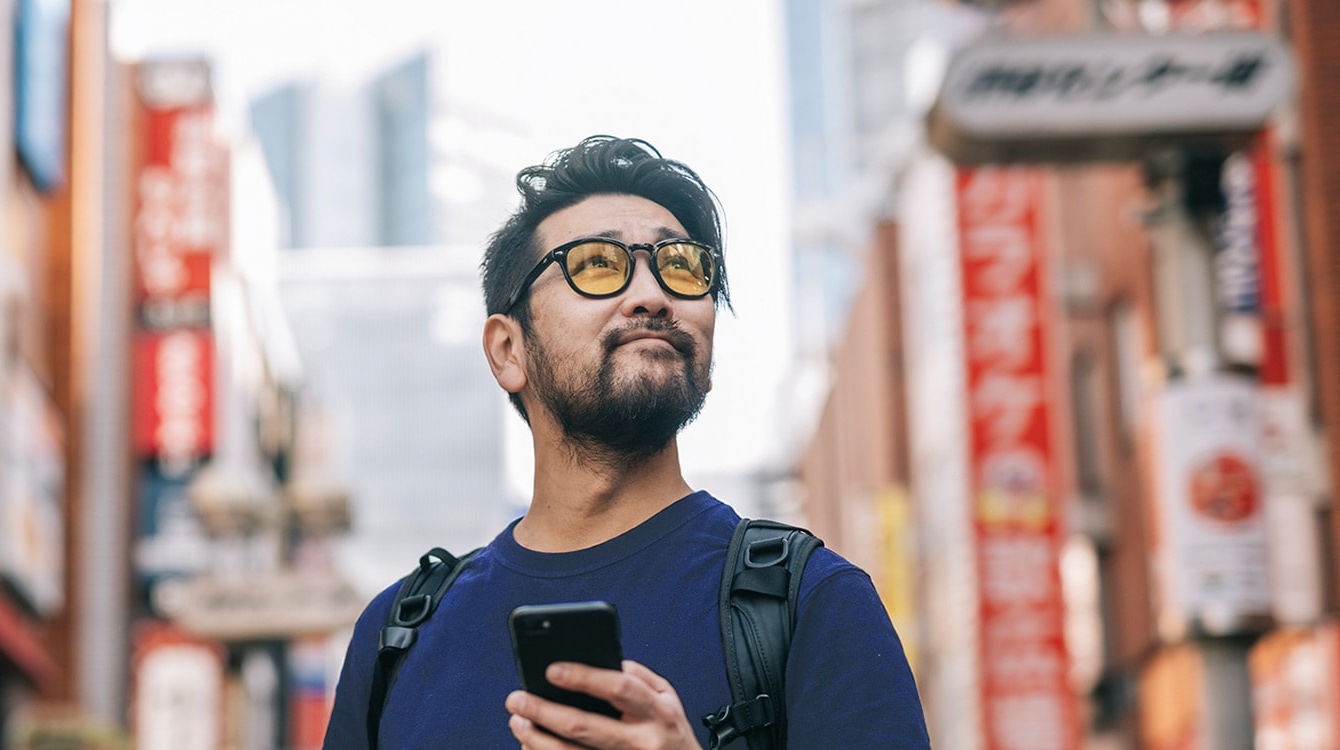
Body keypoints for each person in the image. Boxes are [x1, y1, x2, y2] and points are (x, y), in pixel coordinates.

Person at [322, 136, 929, 749]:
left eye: (683, 268)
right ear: (508, 350)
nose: (654, 295)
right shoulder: (397, 638)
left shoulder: (812, 604)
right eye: (596, 265)